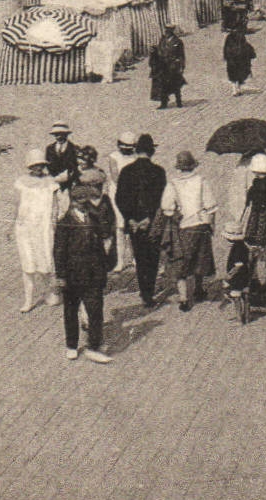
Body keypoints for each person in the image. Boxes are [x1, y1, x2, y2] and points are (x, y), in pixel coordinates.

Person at [53, 170, 116, 363]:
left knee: (95, 310)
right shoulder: (65, 224)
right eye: (82, 203)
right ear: (74, 202)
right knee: (71, 311)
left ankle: (94, 346)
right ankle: (71, 345)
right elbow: (59, 251)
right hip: (73, 274)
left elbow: (103, 240)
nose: (86, 206)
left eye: (87, 202)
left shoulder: (94, 217)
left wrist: (104, 267)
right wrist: (61, 276)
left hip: (93, 272)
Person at [160, 151, 219, 311]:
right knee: (200, 258)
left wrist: (175, 213)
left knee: (181, 262)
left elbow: (166, 207)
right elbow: (211, 206)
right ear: (193, 165)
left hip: (183, 227)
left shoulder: (173, 184)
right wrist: (211, 225)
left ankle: (184, 297)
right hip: (200, 225)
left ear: (179, 168)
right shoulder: (201, 181)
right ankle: (199, 289)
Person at [115, 134, 167, 307]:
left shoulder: (126, 171)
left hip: (133, 223)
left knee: (139, 256)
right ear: (152, 151)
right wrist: (149, 218)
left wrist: (130, 219)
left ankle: (143, 290)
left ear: (136, 151)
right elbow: (162, 199)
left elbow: (120, 198)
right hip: (152, 222)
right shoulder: (159, 172)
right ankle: (149, 293)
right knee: (152, 256)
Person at [14, 149, 64, 313]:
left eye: (41, 165)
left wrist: (54, 222)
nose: (38, 168)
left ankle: (48, 292)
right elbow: (17, 204)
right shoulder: (22, 182)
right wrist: (12, 225)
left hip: (44, 229)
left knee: (45, 262)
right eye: (35, 165)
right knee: (28, 264)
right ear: (30, 166)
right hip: (26, 229)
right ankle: (28, 300)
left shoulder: (50, 182)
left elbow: (56, 206)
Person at [238, 152, 266, 309]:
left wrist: (254, 236)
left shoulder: (258, 188)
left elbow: (257, 215)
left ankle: (261, 297)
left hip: (259, 232)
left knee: (258, 263)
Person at [106, 133, 138, 273]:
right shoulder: (114, 157)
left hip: (133, 196)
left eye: (128, 147)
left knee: (133, 226)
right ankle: (120, 260)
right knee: (119, 228)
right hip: (118, 196)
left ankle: (135, 258)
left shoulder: (136, 158)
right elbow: (115, 176)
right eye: (123, 146)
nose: (125, 149)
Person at [151, 25, 186, 109]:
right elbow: (159, 50)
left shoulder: (177, 42)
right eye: (166, 31)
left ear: (171, 32)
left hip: (173, 66)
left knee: (175, 85)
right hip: (163, 66)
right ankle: (164, 103)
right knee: (162, 85)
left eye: (168, 31)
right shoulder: (162, 41)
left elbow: (181, 55)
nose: (166, 33)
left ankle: (179, 101)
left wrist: (181, 66)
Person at [44, 122, 82, 190]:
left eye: (61, 134)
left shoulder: (74, 148)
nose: (59, 137)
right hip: (54, 183)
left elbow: (77, 166)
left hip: (70, 185)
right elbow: (48, 165)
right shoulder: (49, 149)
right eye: (56, 134)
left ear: (66, 134)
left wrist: (68, 177)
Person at [222, 27, 257, 96]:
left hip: (232, 59)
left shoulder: (229, 38)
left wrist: (226, 57)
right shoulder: (240, 36)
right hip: (238, 59)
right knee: (238, 74)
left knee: (233, 75)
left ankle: (235, 90)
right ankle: (237, 89)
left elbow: (226, 48)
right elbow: (245, 47)